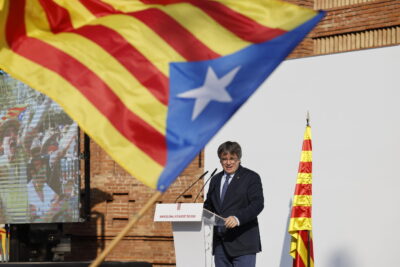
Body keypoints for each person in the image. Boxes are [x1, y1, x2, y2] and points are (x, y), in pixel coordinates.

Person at [204, 141, 264, 267]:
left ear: (239, 159)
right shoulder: (215, 179)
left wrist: (237, 218)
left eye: (232, 158)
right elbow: (209, 205)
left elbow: (258, 204)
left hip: (243, 244)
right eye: (224, 159)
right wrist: (194, 212)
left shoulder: (251, 177)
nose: (228, 162)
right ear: (220, 160)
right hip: (221, 244)